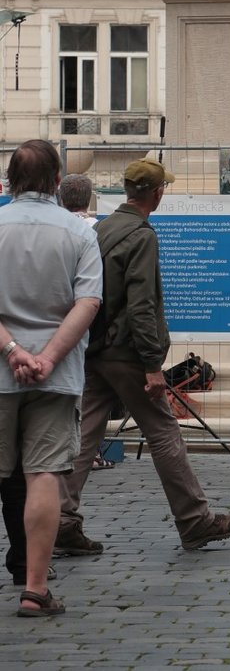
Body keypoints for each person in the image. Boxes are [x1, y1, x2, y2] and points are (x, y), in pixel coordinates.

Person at [57, 159, 230, 554]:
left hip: (96, 349)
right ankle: (195, 520)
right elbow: (142, 305)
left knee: (86, 436)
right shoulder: (141, 235)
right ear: (156, 193)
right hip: (127, 352)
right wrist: (152, 365)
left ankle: (59, 519)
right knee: (163, 432)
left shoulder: (103, 228)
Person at [0, 139, 102, 616]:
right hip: (56, 374)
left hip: (0, 368)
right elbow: (88, 303)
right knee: (43, 475)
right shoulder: (79, 232)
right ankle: (35, 588)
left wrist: (13, 350)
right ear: (58, 183)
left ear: (9, 182)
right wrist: (47, 356)